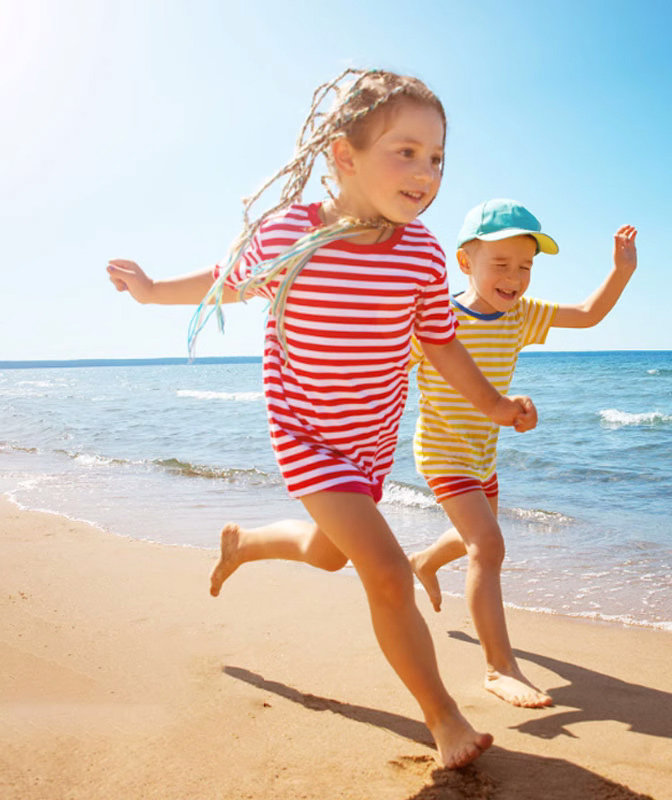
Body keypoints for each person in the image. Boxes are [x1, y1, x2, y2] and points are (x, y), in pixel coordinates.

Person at [107, 71, 538, 769]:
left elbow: (442, 343)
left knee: (331, 551)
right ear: (345, 155)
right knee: (388, 572)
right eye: (406, 152)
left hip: (370, 444)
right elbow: (226, 280)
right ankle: (444, 719)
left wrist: (493, 405)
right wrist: (153, 291)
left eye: (436, 158)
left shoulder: (424, 252)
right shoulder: (292, 234)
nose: (425, 172)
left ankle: (244, 544)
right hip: (305, 436)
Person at [408, 198, 638, 709]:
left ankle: (422, 561)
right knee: (488, 547)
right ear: (466, 262)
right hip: (443, 451)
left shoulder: (522, 317)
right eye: (502, 265)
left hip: (482, 454)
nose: (515, 278)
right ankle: (498, 668)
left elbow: (587, 314)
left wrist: (620, 271)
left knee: (477, 536)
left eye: (526, 266)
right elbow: (382, 373)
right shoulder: (436, 319)